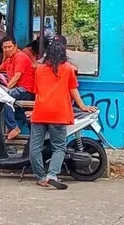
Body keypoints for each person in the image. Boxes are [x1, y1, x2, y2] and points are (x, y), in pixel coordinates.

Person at [29, 35, 96, 190]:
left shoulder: (39, 70)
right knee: (58, 146)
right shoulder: (67, 69)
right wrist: (83, 106)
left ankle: (40, 177)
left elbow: (37, 93)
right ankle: (52, 175)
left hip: (40, 113)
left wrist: (34, 110)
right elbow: (73, 90)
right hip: (59, 113)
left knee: (35, 146)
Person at [0, 36, 35, 140]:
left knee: (5, 97)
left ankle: (13, 127)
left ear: (15, 46)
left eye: (10, 47)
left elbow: (17, 77)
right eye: (5, 48)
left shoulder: (20, 57)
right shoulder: (9, 59)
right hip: (18, 91)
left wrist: (4, 90)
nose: (7, 49)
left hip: (26, 91)